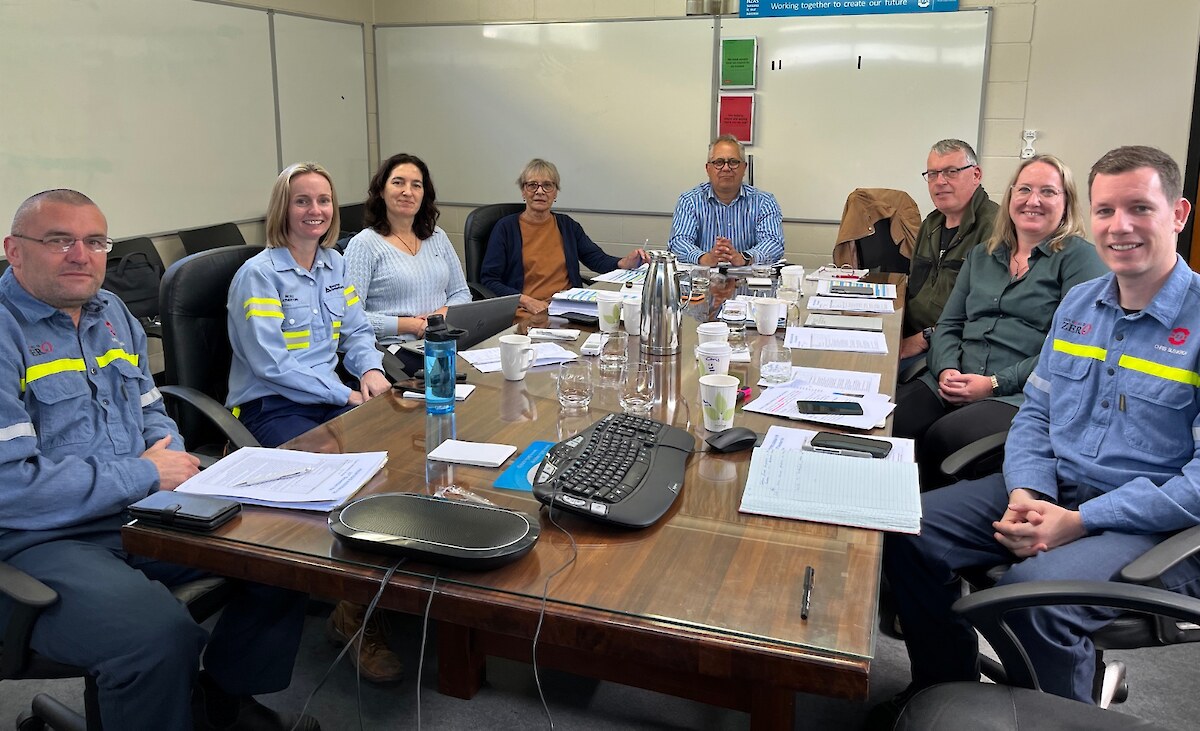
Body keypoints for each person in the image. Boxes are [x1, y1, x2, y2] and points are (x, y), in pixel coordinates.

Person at [872, 146, 1200, 726]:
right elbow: (1037, 415)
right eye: (1105, 211)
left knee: (1031, 599)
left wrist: (1082, 519)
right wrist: (1026, 491)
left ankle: (1056, 716)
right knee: (907, 533)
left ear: (1178, 214)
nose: (1119, 227)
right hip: (1051, 488)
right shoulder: (1080, 306)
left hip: (1149, 520)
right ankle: (945, 692)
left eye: (1139, 209)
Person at [0, 189, 317, 730]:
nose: (82, 255)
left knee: (284, 553)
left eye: (96, 241)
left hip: (142, 509)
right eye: (59, 241)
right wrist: (146, 472)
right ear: (15, 250)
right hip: (43, 538)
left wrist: (163, 455)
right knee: (154, 637)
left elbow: (152, 409)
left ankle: (219, 701)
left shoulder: (111, 312)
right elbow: (11, 487)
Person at [225, 164, 401, 685]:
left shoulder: (336, 264)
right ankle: (353, 617)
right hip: (270, 405)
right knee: (340, 487)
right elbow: (270, 364)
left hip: (326, 399)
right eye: (303, 201)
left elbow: (357, 330)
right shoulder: (258, 274)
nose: (316, 211)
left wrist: (369, 369)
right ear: (284, 209)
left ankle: (376, 594)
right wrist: (344, 392)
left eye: (324, 200)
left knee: (398, 463)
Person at [892, 154, 1107, 489]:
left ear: (1066, 203)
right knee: (892, 420)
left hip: (1018, 394)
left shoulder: (1080, 260)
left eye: (1048, 192)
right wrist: (947, 368)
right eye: (1024, 190)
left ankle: (913, 529)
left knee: (945, 437)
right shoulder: (983, 255)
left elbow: (1071, 351)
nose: (1033, 200)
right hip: (953, 378)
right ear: (1010, 198)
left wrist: (993, 384)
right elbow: (949, 325)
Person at [344, 153, 470, 368]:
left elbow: (461, 293)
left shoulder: (437, 236)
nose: (407, 192)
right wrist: (410, 325)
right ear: (381, 191)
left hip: (441, 339)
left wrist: (438, 317)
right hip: (395, 350)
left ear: (424, 195)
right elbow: (349, 318)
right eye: (398, 183)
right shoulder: (364, 244)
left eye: (416, 185)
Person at [480, 158, 647, 314]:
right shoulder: (505, 228)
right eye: (532, 185)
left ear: (555, 193)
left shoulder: (567, 226)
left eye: (547, 185)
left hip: (569, 308)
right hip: (527, 311)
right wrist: (526, 301)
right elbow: (490, 280)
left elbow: (596, 259)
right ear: (523, 192)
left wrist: (624, 263)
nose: (540, 191)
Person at [899, 139, 1000, 364]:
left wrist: (924, 338)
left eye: (951, 172)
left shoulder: (995, 230)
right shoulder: (930, 225)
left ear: (976, 175)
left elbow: (986, 316)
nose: (939, 182)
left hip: (953, 349)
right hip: (911, 335)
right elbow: (916, 290)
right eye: (932, 174)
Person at [667, 134, 784, 267]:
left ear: (744, 168)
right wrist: (705, 258)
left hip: (748, 282)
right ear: (708, 169)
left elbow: (774, 242)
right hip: (701, 283)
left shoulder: (765, 202)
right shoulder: (689, 201)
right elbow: (679, 242)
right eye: (719, 162)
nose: (726, 168)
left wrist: (744, 258)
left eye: (733, 162)